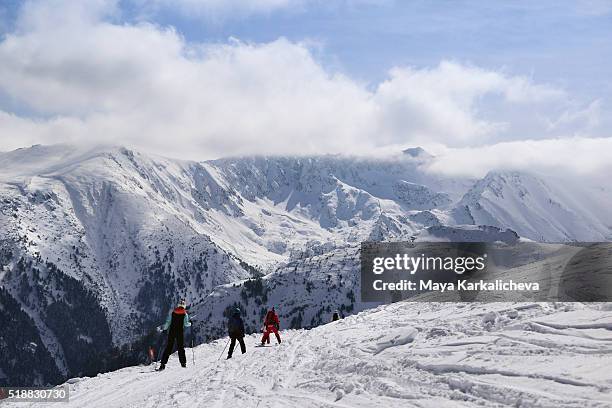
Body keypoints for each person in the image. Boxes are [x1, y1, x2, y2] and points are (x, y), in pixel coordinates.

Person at [159, 299, 191, 370]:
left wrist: (164, 330)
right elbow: (186, 324)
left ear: (178, 305)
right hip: (180, 332)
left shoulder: (173, 313)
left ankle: (163, 364)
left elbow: (168, 322)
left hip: (172, 332)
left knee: (169, 347)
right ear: (184, 306)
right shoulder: (185, 314)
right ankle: (183, 364)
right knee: (180, 348)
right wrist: (190, 323)